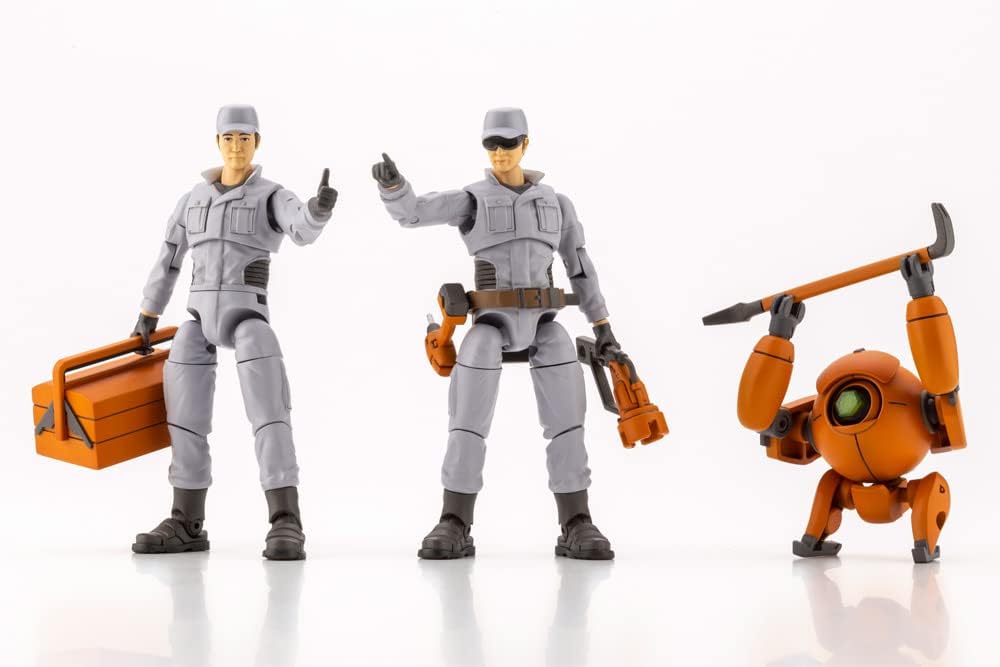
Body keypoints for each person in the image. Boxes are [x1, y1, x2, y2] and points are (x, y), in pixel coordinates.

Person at [373, 107, 624, 560]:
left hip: (545, 324)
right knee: (467, 422)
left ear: (525, 144)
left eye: (508, 143)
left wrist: (602, 326)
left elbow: (581, 267)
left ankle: (576, 520)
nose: (499, 152)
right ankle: (454, 519)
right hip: (490, 324)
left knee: (568, 422)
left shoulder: (557, 203)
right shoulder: (473, 199)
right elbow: (414, 213)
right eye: (491, 144)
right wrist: (395, 188)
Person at [131, 104, 337, 560]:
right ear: (217, 141)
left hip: (248, 315)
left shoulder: (271, 195)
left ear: (257, 142)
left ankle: (285, 518)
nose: (237, 146)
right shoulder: (193, 199)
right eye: (229, 138)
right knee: (184, 416)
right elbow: (169, 256)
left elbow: (301, 228)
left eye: (245, 138)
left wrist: (318, 210)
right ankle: (186, 519)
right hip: (197, 316)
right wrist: (149, 311)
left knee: (269, 414)